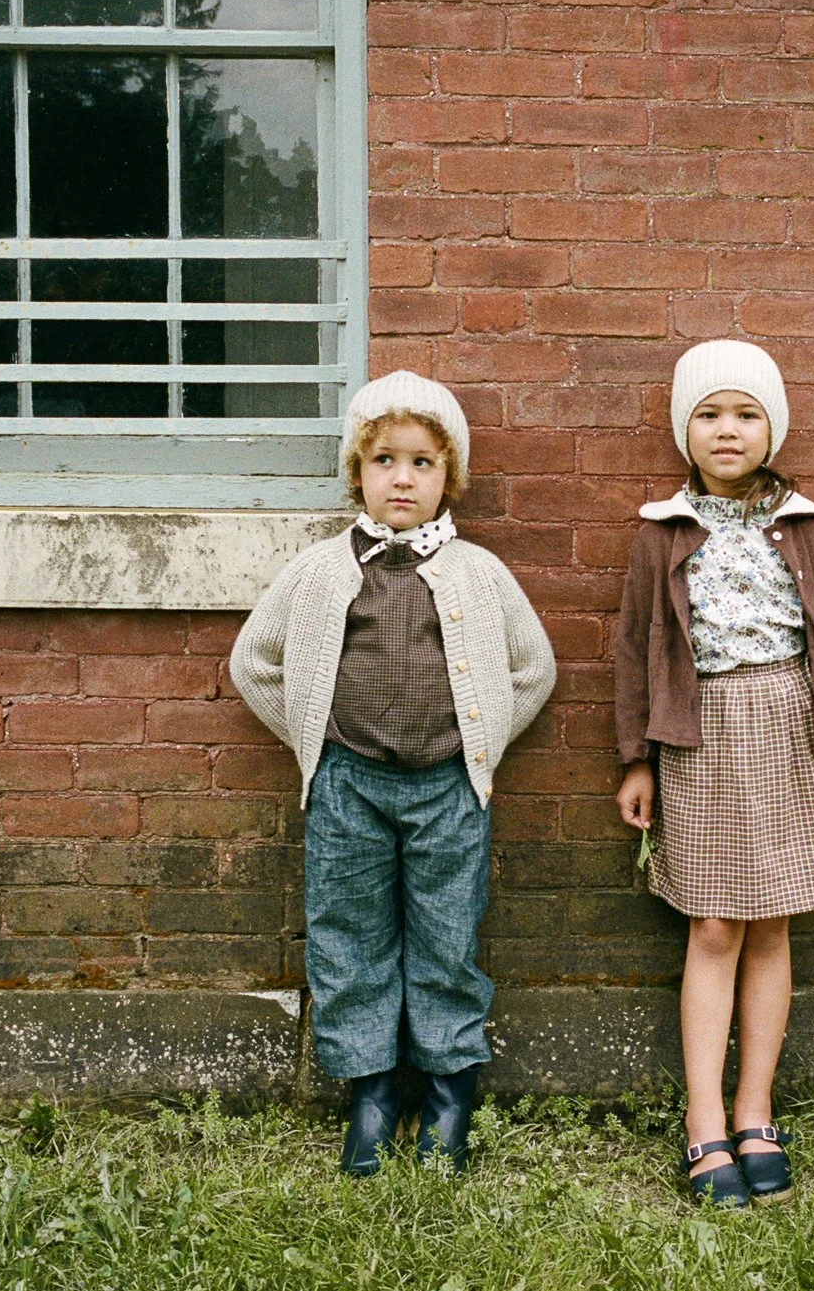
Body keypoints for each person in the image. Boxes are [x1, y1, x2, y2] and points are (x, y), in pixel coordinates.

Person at [230, 370, 556, 1175]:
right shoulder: (320, 570)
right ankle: (371, 1092)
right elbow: (255, 661)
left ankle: (448, 1092)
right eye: (383, 460)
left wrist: (479, 745)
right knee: (349, 937)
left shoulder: (478, 572)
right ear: (357, 472)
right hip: (348, 786)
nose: (401, 478)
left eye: (421, 462)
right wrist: (317, 739)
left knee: (447, 938)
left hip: (449, 788)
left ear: (450, 477)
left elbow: (533, 668)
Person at [613, 339, 814, 1208]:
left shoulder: (811, 528)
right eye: (709, 413)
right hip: (701, 732)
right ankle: (705, 1117)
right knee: (715, 924)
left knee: (773, 921)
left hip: (788, 728)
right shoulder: (662, 533)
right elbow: (635, 651)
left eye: (747, 414)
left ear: (772, 427)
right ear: (685, 430)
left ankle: (757, 1108)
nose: (728, 429)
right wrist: (637, 758)